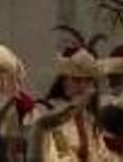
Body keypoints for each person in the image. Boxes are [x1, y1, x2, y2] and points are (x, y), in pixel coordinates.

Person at [31, 27, 112, 162]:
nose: (82, 86)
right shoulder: (44, 111)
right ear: (63, 81)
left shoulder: (91, 119)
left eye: (88, 81)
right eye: (76, 80)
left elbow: (103, 156)